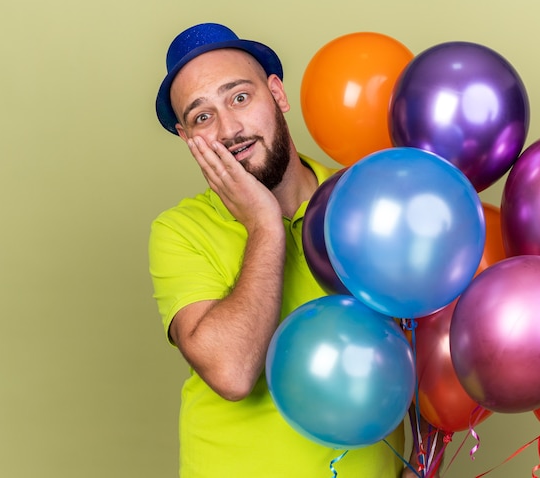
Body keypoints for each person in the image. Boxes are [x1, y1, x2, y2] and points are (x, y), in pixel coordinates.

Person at [148, 22, 418, 477]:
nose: (229, 129)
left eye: (239, 97)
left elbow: (429, 332)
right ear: (187, 138)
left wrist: (422, 453)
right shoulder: (179, 231)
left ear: (277, 93)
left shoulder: (366, 199)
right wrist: (264, 226)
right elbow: (232, 373)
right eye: (202, 117)